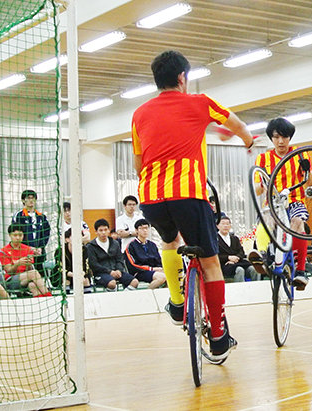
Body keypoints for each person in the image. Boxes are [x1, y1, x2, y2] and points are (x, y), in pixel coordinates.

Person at [130, 50, 253, 359]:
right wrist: (249, 142)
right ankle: (218, 336)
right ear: (182, 78)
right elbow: (238, 126)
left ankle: (175, 302)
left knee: (169, 242)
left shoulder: (139, 113)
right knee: (211, 263)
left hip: (152, 198)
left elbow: (137, 163)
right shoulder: (199, 102)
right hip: (188, 194)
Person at [252, 117, 312, 290]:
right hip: (273, 202)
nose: (280, 141)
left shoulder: (300, 154)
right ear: (271, 138)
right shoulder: (263, 159)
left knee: (298, 223)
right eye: (276, 137)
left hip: (295, 200)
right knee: (266, 221)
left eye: (284, 137)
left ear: (290, 138)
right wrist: (262, 184)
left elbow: (311, 183)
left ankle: (301, 271)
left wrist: (307, 169)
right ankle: (262, 256)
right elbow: (257, 190)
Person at [0, 223, 51, 297]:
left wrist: (28, 264)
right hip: (11, 281)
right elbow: (9, 271)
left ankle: (41, 302)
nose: (17, 238)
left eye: (20, 235)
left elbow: (29, 269)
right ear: (10, 235)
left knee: (32, 285)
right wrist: (18, 263)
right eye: (15, 235)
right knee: (34, 273)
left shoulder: (28, 249)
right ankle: (49, 296)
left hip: (26, 278)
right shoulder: (4, 251)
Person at [87, 219, 138, 291]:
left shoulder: (115, 243)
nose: (103, 233)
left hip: (116, 271)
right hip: (101, 273)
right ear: (96, 232)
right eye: (101, 230)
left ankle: (123, 296)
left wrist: (119, 270)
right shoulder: (91, 246)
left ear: (109, 230)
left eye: (105, 230)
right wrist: (109, 272)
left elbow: (119, 259)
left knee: (134, 282)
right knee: (112, 284)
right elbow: (93, 264)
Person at [12, 189, 51, 274]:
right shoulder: (19, 216)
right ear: (23, 200)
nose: (31, 200)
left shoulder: (41, 216)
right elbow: (16, 233)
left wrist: (40, 247)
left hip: (39, 253)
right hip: (24, 252)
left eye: (33, 198)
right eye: (28, 198)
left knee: (41, 274)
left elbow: (46, 233)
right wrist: (29, 248)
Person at [124, 219, 167, 289]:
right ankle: (147, 295)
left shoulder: (152, 245)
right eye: (142, 228)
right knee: (161, 278)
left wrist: (161, 268)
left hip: (155, 271)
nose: (145, 231)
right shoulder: (131, 246)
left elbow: (159, 260)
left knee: (171, 277)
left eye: (146, 228)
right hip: (140, 272)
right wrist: (151, 269)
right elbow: (133, 264)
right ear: (136, 230)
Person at [216, 216, 260, 282]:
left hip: (238, 262)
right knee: (239, 270)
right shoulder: (215, 239)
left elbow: (241, 251)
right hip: (225, 265)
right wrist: (228, 258)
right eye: (223, 224)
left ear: (230, 226)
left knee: (253, 269)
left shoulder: (235, 238)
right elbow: (216, 255)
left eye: (227, 224)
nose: (225, 226)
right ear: (218, 226)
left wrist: (236, 258)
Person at [52, 228, 94, 292]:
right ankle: (67, 298)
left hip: (79, 274)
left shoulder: (84, 249)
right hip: (62, 274)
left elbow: (86, 266)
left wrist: (82, 274)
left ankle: (87, 299)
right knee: (66, 280)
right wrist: (73, 275)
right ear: (67, 239)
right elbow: (60, 267)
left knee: (85, 280)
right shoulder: (60, 250)